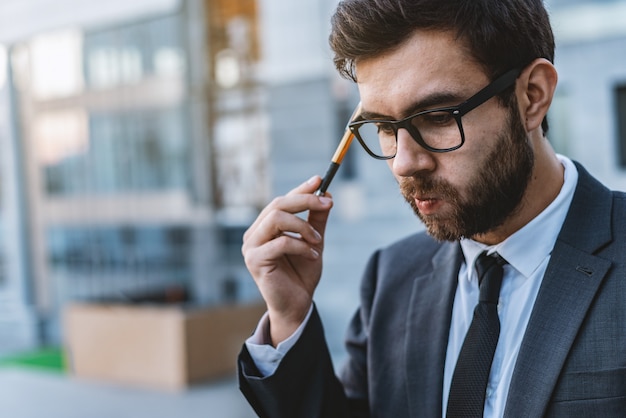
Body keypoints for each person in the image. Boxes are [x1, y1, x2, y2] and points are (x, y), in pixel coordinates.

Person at [238, 0, 626, 416]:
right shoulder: (391, 278)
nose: (404, 163)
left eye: (438, 116)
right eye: (385, 128)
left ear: (532, 96)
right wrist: (289, 317)